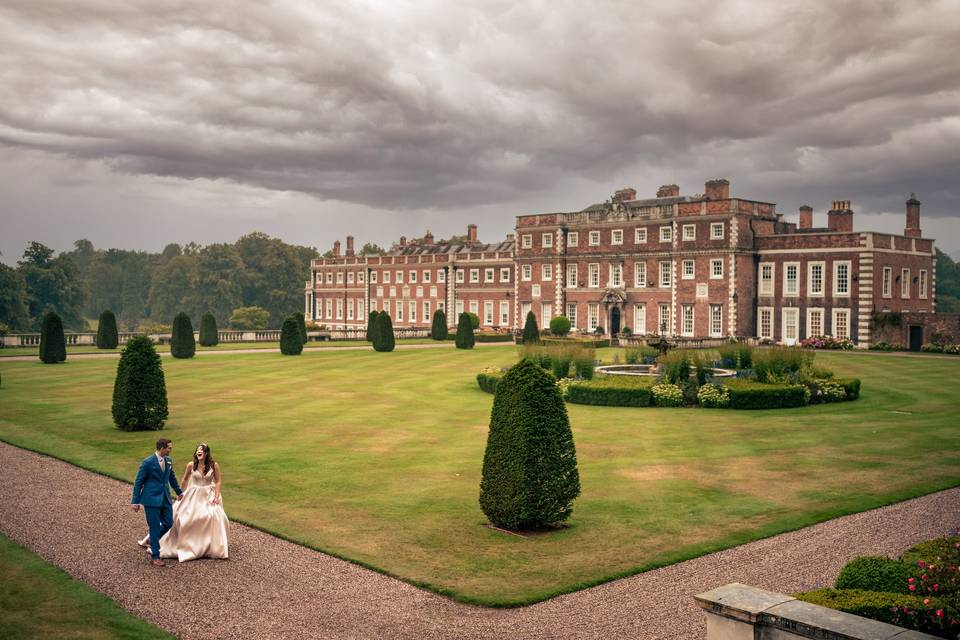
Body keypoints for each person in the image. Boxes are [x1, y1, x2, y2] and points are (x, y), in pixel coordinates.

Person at [138, 442, 229, 562]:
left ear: (206, 453)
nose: (198, 452)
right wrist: (180, 493)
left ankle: (210, 546)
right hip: (193, 494)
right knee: (183, 517)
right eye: (197, 450)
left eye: (201, 450)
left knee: (213, 516)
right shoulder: (191, 465)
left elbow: (218, 482)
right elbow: (185, 479)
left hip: (208, 495)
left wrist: (216, 496)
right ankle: (168, 542)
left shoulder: (214, 465)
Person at [131, 438, 183, 567]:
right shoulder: (148, 462)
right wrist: (135, 501)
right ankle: (155, 555)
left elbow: (172, 477)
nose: (171, 450)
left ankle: (152, 539)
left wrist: (179, 492)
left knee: (168, 523)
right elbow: (139, 481)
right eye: (169, 448)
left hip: (165, 497)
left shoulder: (169, 461)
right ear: (162, 448)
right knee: (154, 527)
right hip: (151, 499)